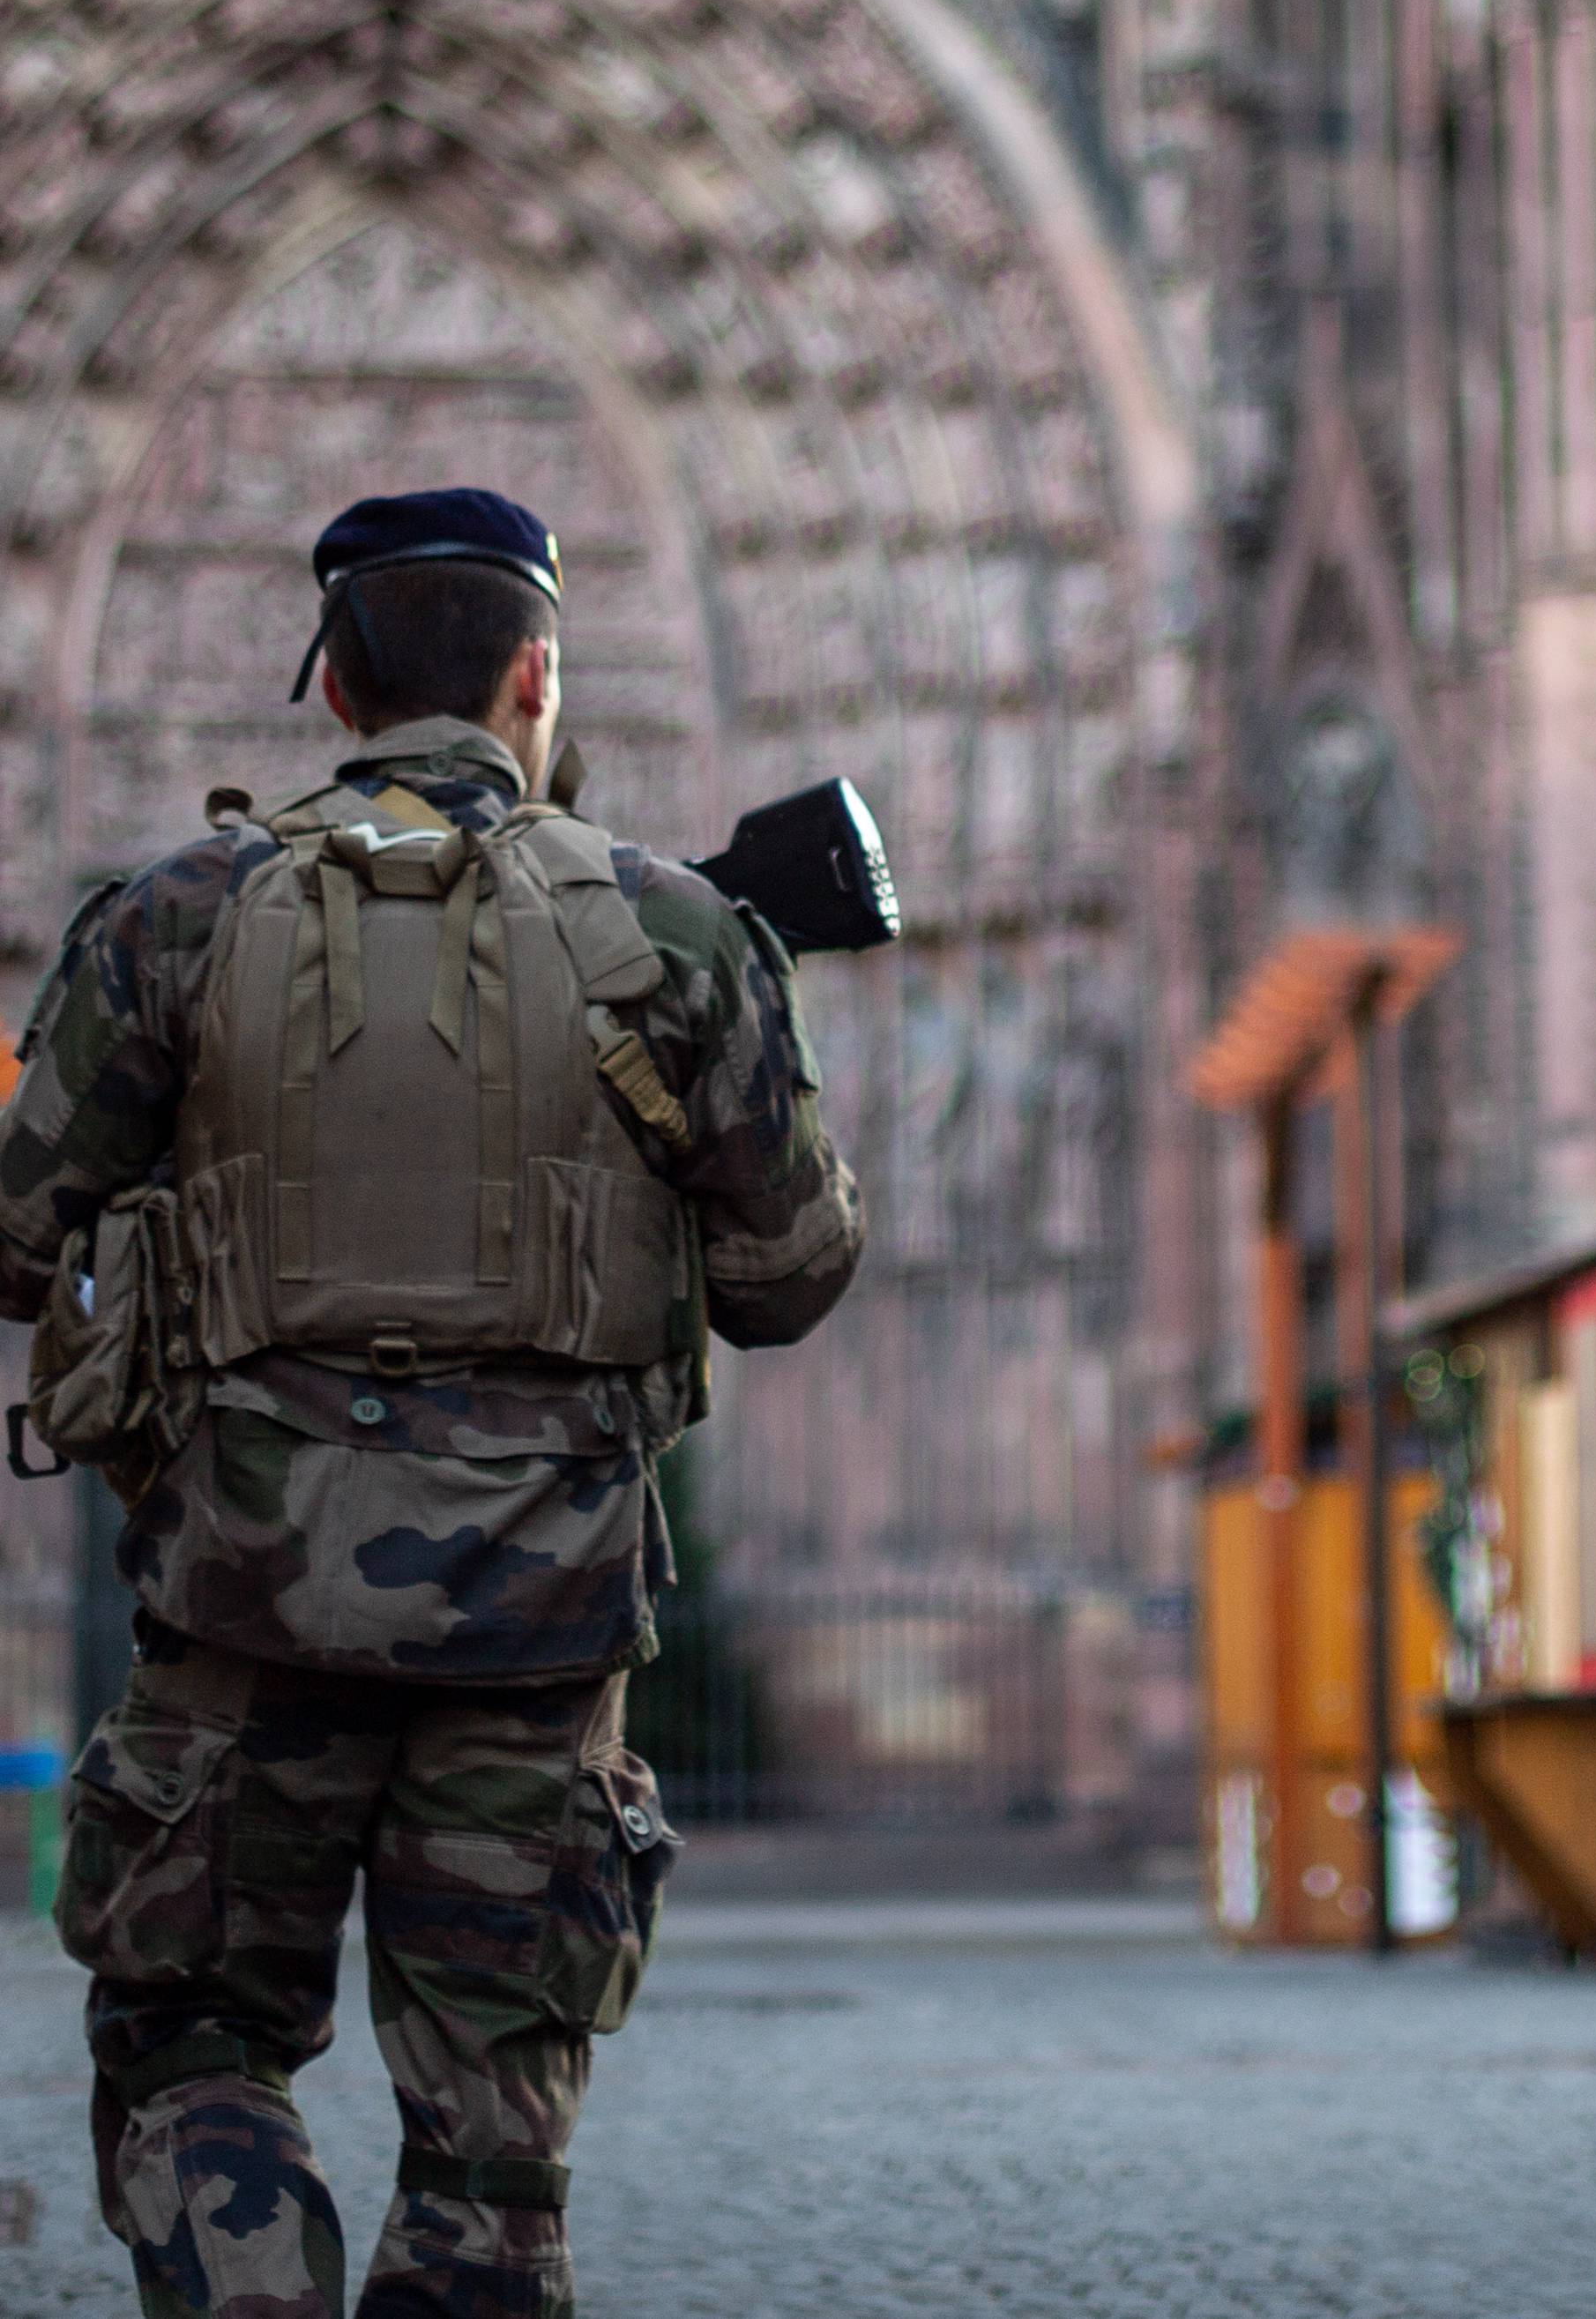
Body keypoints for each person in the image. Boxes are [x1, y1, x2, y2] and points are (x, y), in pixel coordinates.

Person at [0, 486, 863, 2319]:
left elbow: (14, 1234)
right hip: (541, 1632)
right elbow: (793, 1276)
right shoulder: (682, 934)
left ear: (333, 692)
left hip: (242, 1604)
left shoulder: (172, 918)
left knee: (195, 2057)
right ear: (536, 672)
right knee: (494, 2157)